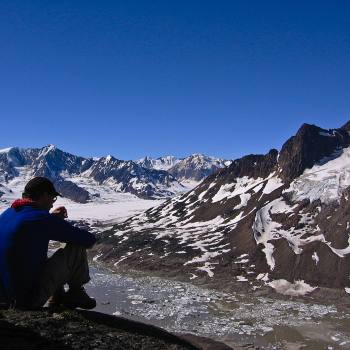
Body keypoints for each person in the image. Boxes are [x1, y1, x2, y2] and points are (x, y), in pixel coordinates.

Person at [0, 176, 97, 310]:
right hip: (25, 301)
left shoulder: (8, 213)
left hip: (4, 299)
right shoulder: (40, 219)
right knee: (75, 246)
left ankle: (58, 296)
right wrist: (56, 223)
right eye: (53, 198)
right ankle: (76, 292)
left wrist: (51, 219)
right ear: (45, 195)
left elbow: (31, 227)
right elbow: (87, 240)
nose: (52, 203)